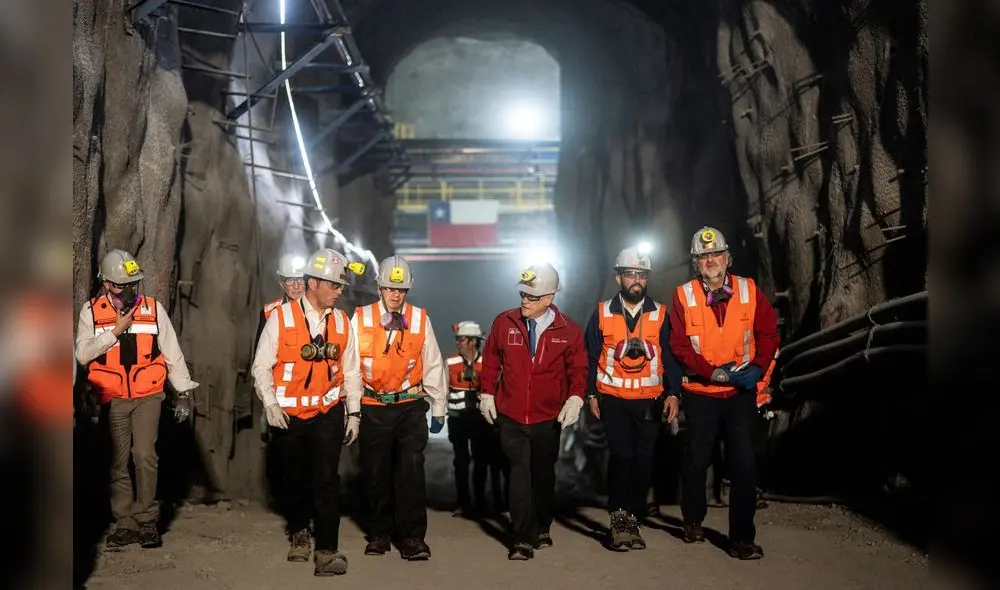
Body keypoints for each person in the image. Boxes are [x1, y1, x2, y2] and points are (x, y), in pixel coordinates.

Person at [668, 226, 780, 560]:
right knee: (697, 459)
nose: (711, 261)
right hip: (702, 390)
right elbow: (679, 345)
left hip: (739, 392)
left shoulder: (748, 289)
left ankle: (741, 538)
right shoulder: (683, 295)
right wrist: (711, 372)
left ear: (727, 258)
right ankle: (693, 519)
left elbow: (769, 332)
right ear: (695, 263)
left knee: (743, 462)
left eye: (716, 254)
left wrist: (758, 368)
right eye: (704, 256)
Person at [74, 249, 198, 550]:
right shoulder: (91, 312)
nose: (129, 290)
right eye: (121, 285)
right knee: (118, 460)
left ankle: (146, 520)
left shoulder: (153, 310)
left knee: (144, 454)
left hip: (148, 395)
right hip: (112, 397)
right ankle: (124, 521)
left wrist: (182, 393)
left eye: (133, 284)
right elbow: (82, 354)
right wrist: (115, 331)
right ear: (106, 285)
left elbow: (172, 352)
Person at [252, 248, 363, 576]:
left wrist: (353, 413)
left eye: (341, 286)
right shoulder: (281, 318)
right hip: (289, 415)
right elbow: (261, 366)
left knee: (327, 479)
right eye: (334, 285)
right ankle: (300, 532)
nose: (340, 291)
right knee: (295, 477)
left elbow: (352, 370)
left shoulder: (342, 321)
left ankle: (327, 551)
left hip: (328, 410)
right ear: (313, 283)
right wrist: (270, 404)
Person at [478, 262, 588, 560]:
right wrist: (487, 392)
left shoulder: (569, 331)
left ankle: (542, 525)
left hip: (547, 417)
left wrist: (575, 398)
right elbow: (490, 360)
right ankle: (521, 538)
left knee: (542, 475)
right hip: (511, 415)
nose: (524, 300)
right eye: (522, 294)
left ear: (549, 299)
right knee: (519, 472)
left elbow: (578, 369)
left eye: (532, 296)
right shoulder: (504, 323)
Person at [584, 246, 684, 551]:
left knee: (644, 463)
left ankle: (632, 517)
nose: (636, 280)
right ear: (619, 278)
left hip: (649, 401)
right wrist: (590, 393)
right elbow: (588, 357)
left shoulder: (661, 313)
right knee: (622, 458)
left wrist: (674, 393)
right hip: (613, 398)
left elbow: (670, 356)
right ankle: (619, 523)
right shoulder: (601, 312)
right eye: (630, 274)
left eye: (642, 274)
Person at [351, 255, 448, 561]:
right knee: (376, 472)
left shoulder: (420, 319)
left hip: (409, 405)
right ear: (379, 287)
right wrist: (352, 409)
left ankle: (412, 538)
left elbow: (432, 362)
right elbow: (349, 366)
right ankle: (379, 534)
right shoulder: (360, 318)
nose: (395, 295)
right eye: (390, 289)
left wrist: (438, 407)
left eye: (401, 289)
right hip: (372, 405)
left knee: (411, 471)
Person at [445, 321, 506, 517]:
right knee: (461, 461)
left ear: (473, 342)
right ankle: (463, 503)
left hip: (481, 422)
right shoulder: (450, 363)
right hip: (458, 420)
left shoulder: (488, 364)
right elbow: (443, 389)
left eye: (461, 339)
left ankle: (480, 502)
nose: (458, 343)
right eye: (458, 339)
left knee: (482, 461)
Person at [256, 253, 307, 346]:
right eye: (290, 280)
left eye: (300, 279)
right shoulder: (269, 312)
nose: (296, 286)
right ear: (281, 284)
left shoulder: (319, 309)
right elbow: (260, 353)